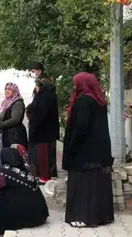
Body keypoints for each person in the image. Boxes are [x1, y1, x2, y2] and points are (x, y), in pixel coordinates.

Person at [63, 72, 114, 228]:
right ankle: (101, 216)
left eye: (75, 83)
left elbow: (81, 127)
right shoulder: (98, 101)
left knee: (83, 186)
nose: (74, 86)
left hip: (84, 153)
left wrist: (71, 146)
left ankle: (83, 217)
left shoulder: (83, 102)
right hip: (98, 152)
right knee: (97, 185)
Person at [26, 78, 60, 184]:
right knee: (45, 155)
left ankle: (44, 177)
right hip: (46, 132)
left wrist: (33, 124)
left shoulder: (46, 97)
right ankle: (44, 176)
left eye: (37, 86)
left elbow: (40, 114)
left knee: (43, 155)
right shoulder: (44, 95)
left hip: (44, 132)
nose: (35, 89)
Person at [0, 82, 28, 171]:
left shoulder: (17, 102)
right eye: (6, 89)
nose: (7, 91)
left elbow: (15, 119)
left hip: (13, 135)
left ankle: (11, 177)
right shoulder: (5, 102)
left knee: (12, 157)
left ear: (14, 91)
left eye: (9, 89)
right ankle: (1, 175)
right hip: (3, 133)